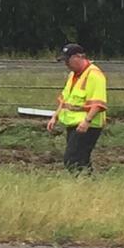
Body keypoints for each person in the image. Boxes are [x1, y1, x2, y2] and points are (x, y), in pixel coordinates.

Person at [46, 43, 107, 172]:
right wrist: (55, 116)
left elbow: (98, 103)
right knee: (81, 159)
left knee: (72, 159)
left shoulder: (94, 74)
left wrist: (87, 121)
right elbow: (65, 98)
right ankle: (88, 185)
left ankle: (84, 183)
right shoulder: (73, 75)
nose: (66, 64)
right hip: (73, 123)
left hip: (88, 125)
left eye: (67, 60)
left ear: (78, 57)